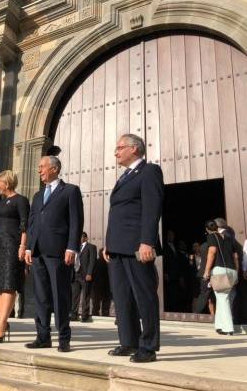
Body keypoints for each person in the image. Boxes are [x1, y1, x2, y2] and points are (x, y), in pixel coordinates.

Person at [104, 133, 163, 363]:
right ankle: (128, 341)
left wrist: (147, 241)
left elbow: (152, 207)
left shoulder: (149, 171)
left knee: (144, 296)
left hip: (137, 245)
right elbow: (117, 213)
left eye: (120, 148)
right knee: (122, 297)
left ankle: (148, 346)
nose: (116, 152)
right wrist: (109, 243)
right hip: (118, 247)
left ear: (134, 149)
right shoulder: (124, 177)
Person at [24, 155, 84, 353]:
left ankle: (64, 338)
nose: (39, 170)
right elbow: (31, 223)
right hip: (38, 252)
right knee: (40, 296)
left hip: (59, 252)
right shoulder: (38, 195)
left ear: (55, 168)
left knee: (60, 295)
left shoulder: (70, 191)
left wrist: (72, 247)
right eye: (39, 167)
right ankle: (42, 337)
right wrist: (28, 248)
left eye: (42, 167)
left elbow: (76, 221)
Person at [0, 170, 29, 343]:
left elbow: (25, 225)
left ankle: (1, 325)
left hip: (12, 245)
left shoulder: (21, 200)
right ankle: (1, 322)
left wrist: (23, 246)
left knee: (9, 284)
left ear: (7, 183)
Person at [203, 220, 239, 335]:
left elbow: (212, 252)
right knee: (220, 298)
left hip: (220, 271)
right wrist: (236, 272)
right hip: (232, 270)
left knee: (223, 298)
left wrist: (207, 271)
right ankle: (219, 326)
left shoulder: (212, 236)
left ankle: (228, 328)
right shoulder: (229, 237)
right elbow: (236, 256)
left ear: (207, 229)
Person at [71, 232, 97, 322]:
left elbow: (92, 261)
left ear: (86, 238)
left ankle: (85, 316)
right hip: (76, 274)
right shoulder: (75, 247)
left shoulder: (91, 247)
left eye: (81, 237)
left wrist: (89, 273)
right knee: (75, 295)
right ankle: (74, 315)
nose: (79, 239)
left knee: (85, 295)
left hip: (85, 275)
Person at [91, 248, 111, 317]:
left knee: (96, 305)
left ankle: (96, 316)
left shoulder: (96, 262)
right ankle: (104, 316)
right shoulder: (109, 263)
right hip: (105, 287)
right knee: (104, 305)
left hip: (98, 287)